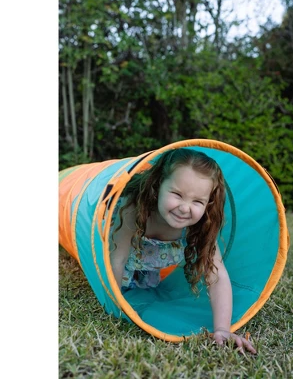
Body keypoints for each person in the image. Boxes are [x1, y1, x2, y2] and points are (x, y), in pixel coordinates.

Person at [109, 148, 257, 354]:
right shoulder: (135, 208)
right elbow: (117, 259)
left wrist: (222, 329)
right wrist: (114, 309)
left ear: (208, 203)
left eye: (198, 201)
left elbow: (217, 275)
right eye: (177, 194)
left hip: (145, 272)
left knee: (144, 288)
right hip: (116, 254)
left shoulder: (199, 225)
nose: (185, 208)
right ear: (158, 185)